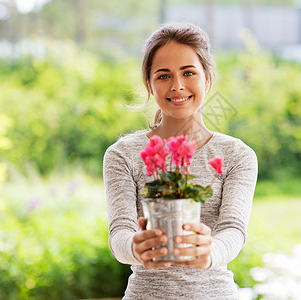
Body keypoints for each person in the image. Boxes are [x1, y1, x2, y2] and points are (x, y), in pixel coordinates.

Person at [103, 22, 257, 299]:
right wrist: (136, 248)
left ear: (206, 79)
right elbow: (120, 233)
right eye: (163, 76)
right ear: (149, 84)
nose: (177, 86)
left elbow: (233, 229)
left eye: (189, 73)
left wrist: (209, 252)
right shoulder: (123, 154)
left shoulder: (237, 155)